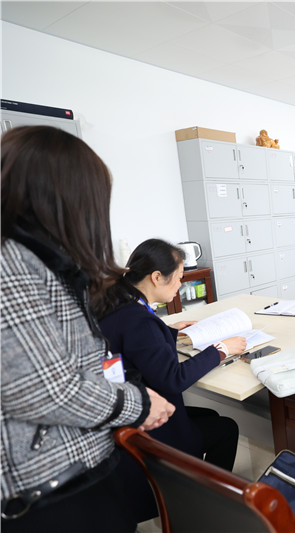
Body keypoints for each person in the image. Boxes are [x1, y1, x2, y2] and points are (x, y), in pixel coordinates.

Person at [1, 126, 175, 532]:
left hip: (75, 465)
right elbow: (46, 390)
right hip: (49, 487)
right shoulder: (12, 266)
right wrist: (139, 403)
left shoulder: (39, 262)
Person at [95, 239, 244, 474]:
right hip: (151, 426)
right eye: (178, 277)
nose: (180, 284)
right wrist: (220, 349)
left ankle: (195, 475)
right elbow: (174, 379)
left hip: (126, 414)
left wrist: (168, 331)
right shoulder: (139, 321)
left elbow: (133, 341)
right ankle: (207, 491)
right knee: (227, 427)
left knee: (210, 415)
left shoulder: (118, 300)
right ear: (156, 277)